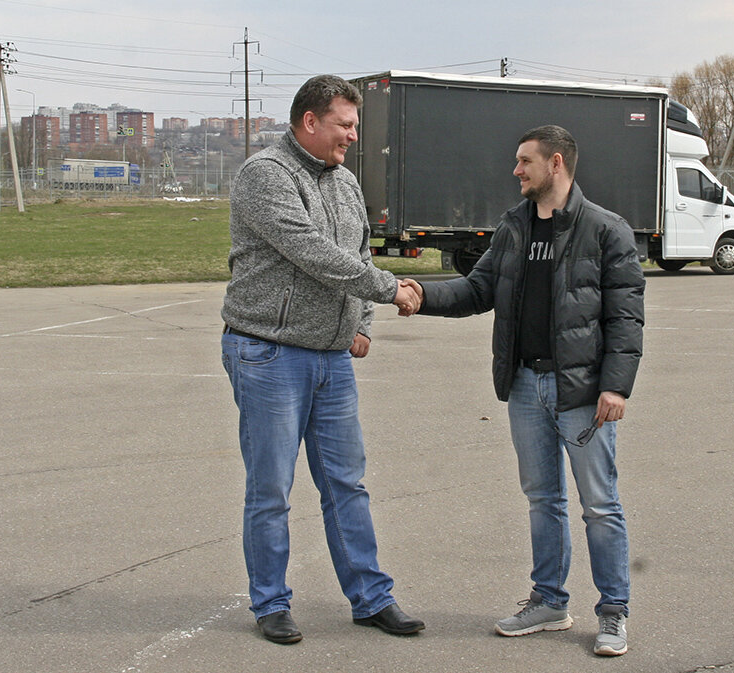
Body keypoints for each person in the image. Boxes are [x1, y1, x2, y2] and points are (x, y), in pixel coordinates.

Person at [401, 125, 644, 657]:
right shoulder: (513, 227)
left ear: (555, 164)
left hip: (582, 393)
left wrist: (616, 388)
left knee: (600, 504)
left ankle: (613, 612)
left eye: (524, 162)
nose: (515, 171)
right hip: (526, 385)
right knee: (543, 500)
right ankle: (550, 601)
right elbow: (477, 290)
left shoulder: (606, 230)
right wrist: (422, 294)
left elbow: (625, 319)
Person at [220, 74, 424, 644]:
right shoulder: (266, 175)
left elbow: (356, 252)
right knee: (271, 487)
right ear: (310, 121)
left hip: (330, 358)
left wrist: (359, 322)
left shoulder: (346, 183)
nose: (353, 136)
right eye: (346, 124)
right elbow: (312, 252)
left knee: (346, 483)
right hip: (269, 352)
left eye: (355, 125)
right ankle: (270, 603)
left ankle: (371, 598)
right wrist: (389, 290)